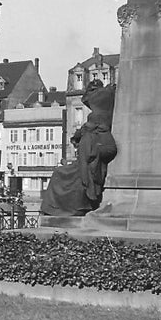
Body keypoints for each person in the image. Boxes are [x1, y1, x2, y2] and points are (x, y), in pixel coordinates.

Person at [40, 80, 118, 217]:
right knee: (63, 173)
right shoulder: (102, 110)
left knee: (62, 173)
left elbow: (87, 104)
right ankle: (57, 208)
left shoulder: (100, 110)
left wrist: (79, 137)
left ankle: (62, 208)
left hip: (93, 152)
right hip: (92, 151)